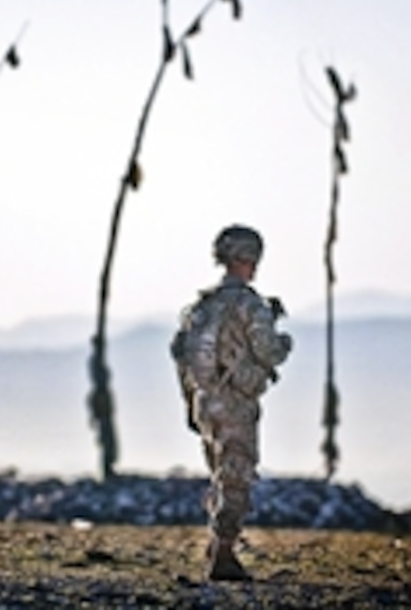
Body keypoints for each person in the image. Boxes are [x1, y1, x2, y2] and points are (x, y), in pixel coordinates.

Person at [171, 224, 293, 581]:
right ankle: (223, 555)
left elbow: (181, 357)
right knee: (237, 476)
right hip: (235, 402)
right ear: (246, 259)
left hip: (204, 402)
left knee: (221, 475)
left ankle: (216, 545)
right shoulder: (249, 304)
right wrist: (284, 339)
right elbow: (269, 351)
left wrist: (191, 404)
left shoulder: (199, 307)